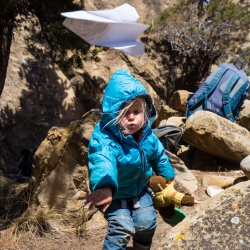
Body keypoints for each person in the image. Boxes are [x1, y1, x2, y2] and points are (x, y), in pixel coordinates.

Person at [84, 69, 175, 250]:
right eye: (125, 112)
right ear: (114, 114)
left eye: (137, 111)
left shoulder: (147, 136)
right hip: (115, 195)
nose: (132, 117)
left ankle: (142, 247)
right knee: (121, 228)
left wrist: (168, 177)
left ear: (145, 112)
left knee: (147, 223)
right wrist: (105, 186)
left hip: (140, 190)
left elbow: (159, 156)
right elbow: (102, 160)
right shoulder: (105, 137)